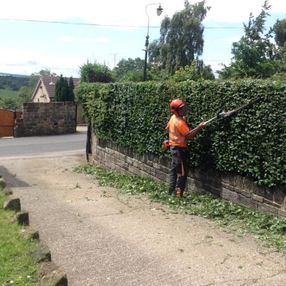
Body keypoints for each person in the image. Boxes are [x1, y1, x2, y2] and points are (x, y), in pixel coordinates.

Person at [166, 99, 206, 198]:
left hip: (173, 148)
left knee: (174, 171)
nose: (184, 110)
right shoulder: (179, 122)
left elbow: (168, 128)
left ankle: (170, 191)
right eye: (181, 109)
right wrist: (199, 127)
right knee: (182, 173)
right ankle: (178, 196)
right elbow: (188, 136)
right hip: (179, 150)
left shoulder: (173, 118)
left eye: (184, 107)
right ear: (176, 111)